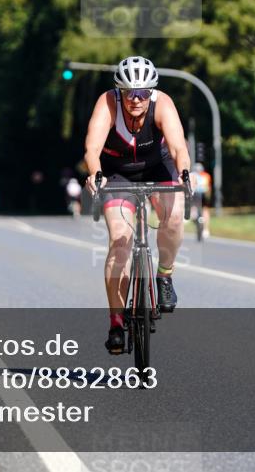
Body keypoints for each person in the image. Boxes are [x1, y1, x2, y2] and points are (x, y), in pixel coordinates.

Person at [83, 56, 191, 355]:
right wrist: (96, 174)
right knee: (120, 240)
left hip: (159, 168)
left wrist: (184, 173)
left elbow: (179, 146)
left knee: (174, 215)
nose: (136, 99)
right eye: (129, 92)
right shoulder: (108, 103)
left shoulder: (163, 103)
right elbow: (92, 148)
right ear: (119, 90)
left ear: (151, 91)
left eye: (143, 92)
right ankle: (117, 320)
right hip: (117, 174)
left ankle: (165, 275)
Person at [191, 162, 212, 238]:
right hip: (204, 195)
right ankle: (206, 229)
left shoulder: (192, 175)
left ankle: (194, 218)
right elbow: (209, 188)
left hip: (195, 195)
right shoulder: (206, 175)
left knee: (193, 208)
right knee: (205, 210)